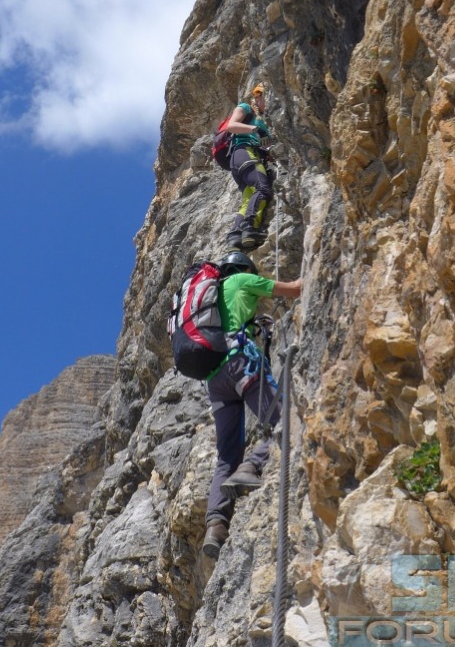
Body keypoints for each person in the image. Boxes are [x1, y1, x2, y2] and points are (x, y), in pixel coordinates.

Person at [202, 250, 302, 559]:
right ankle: (253, 465)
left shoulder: (212, 295)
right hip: (242, 364)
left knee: (225, 455)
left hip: (215, 378)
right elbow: (295, 289)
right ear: (244, 268)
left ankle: (216, 526)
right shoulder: (244, 279)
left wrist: (255, 324)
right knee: (283, 419)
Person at [225, 84, 275, 251]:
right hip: (244, 152)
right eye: (261, 97)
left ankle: (235, 237)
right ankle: (250, 228)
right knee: (263, 189)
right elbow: (231, 126)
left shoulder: (265, 121)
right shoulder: (245, 108)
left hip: (244, 160)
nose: (263, 100)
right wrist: (256, 130)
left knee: (249, 197)